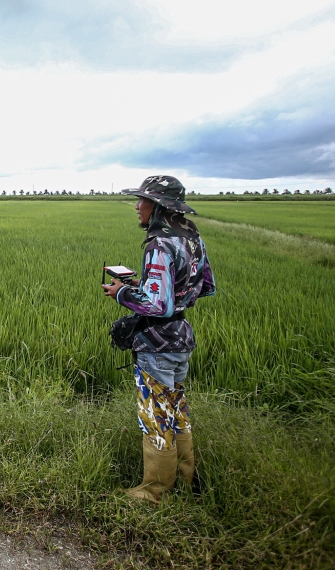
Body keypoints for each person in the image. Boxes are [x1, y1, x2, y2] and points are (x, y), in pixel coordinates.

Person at [102, 175, 215, 504]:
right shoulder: (192, 238)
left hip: (157, 345)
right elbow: (203, 286)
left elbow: (157, 305)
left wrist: (122, 292)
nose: (138, 206)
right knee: (177, 411)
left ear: (160, 207)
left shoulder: (159, 244)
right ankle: (186, 478)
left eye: (143, 201)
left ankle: (155, 492)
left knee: (156, 416)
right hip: (180, 341)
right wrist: (147, 285)